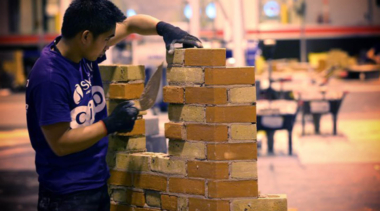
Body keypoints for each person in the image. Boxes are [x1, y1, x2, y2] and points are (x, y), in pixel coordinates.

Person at [25, 0, 202, 210]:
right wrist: (110, 124)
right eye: (106, 40)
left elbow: (130, 25)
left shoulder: (82, 51)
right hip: (66, 195)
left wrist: (165, 29)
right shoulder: (50, 77)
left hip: (96, 183)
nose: (109, 45)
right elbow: (61, 143)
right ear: (86, 36)